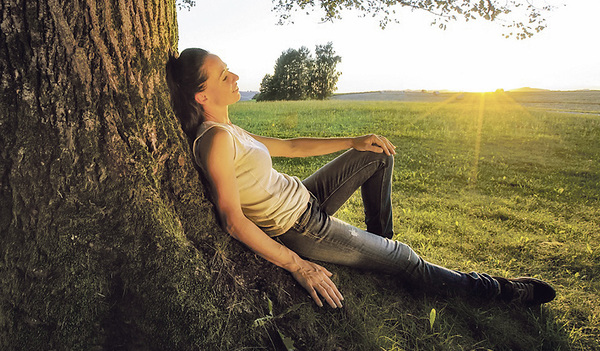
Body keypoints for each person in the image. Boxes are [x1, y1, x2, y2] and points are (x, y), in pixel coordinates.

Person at [165, 48, 556, 309]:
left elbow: (291, 146)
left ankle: (379, 247)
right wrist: (297, 265)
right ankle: (500, 290)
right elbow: (232, 220)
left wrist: (354, 140)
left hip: (305, 196)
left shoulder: (230, 129)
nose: (234, 75)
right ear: (201, 95)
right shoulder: (215, 140)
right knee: (406, 259)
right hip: (301, 226)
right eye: (222, 75)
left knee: (375, 155)